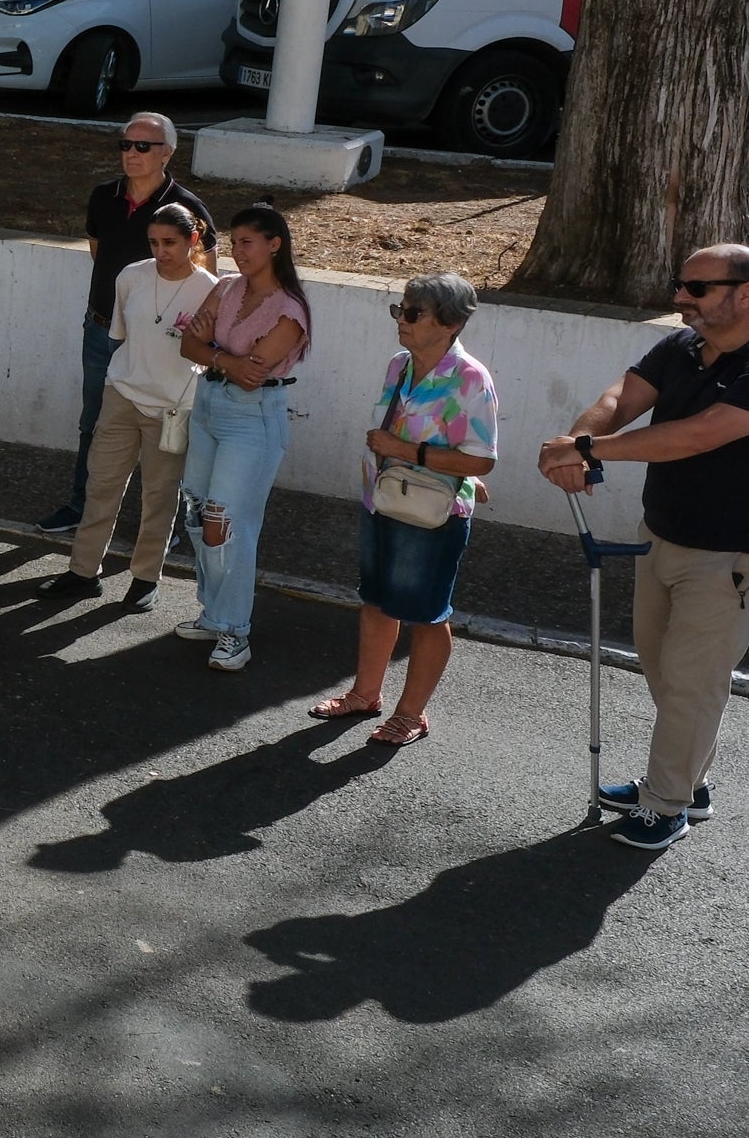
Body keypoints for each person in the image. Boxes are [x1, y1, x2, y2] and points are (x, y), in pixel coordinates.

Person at [537, 242, 749, 852]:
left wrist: (588, 453)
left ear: (744, 293)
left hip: (729, 557)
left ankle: (666, 806)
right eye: (679, 283)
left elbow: (698, 435)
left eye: (697, 288)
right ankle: (689, 784)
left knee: (690, 682)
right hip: (659, 537)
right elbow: (618, 400)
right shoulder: (680, 347)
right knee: (663, 670)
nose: (680, 297)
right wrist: (578, 439)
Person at [309, 273, 496, 746]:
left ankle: (411, 713)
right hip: (383, 498)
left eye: (414, 313)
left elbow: (484, 457)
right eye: (401, 310)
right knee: (374, 600)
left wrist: (406, 451)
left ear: (450, 322)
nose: (402, 320)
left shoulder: (471, 379)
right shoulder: (400, 364)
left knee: (427, 613)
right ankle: (365, 694)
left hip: (432, 515)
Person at [40, 114, 217, 533]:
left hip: (163, 344)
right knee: (93, 422)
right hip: (101, 329)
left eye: (143, 146)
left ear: (168, 153)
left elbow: (207, 282)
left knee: (168, 434)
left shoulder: (187, 208)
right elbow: (99, 252)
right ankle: (82, 507)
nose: (131, 154)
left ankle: (167, 527)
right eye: (125, 145)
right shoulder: (103, 196)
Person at [44, 204, 218, 610]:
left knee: (159, 495)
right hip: (123, 395)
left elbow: (210, 351)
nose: (161, 251)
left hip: (174, 408)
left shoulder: (211, 289)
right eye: (154, 242)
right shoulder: (131, 276)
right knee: (101, 484)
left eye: (170, 243)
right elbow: (122, 335)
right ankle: (83, 571)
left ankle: (145, 579)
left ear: (193, 240)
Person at [171, 200, 311, 674]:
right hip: (210, 406)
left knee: (226, 522)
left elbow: (257, 371)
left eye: (247, 242)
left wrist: (217, 355)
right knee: (196, 509)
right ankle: (215, 613)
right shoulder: (228, 287)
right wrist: (227, 359)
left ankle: (235, 630)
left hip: (253, 419)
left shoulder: (290, 310)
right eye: (234, 243)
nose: (238, 252)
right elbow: (189, 343)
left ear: (275, 245)